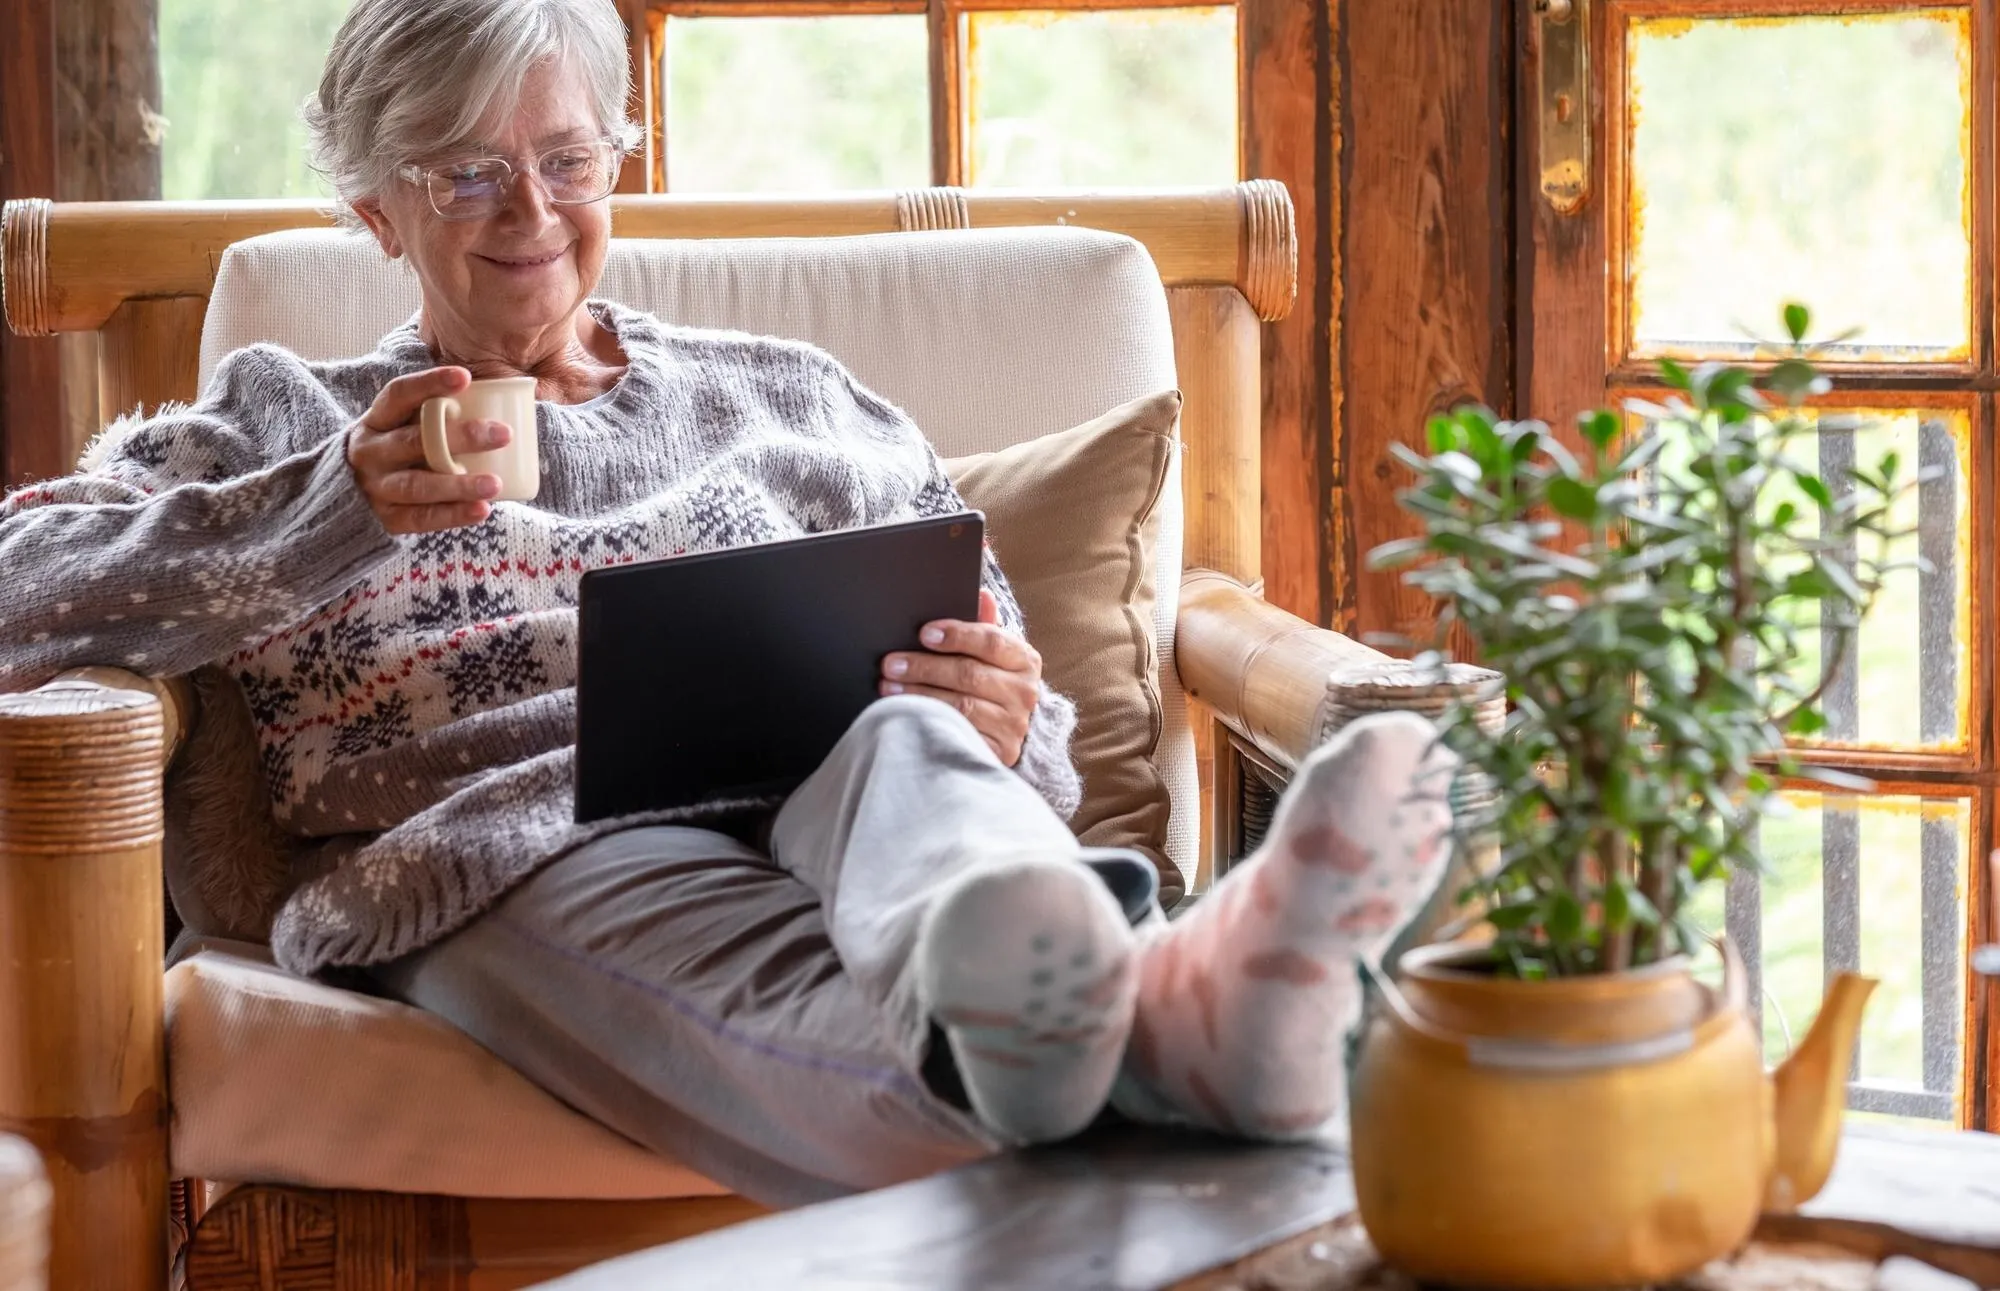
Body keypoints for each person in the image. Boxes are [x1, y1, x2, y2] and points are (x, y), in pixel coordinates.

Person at [0, 0, 1457, 1206]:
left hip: (854, 792)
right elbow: (22, 596)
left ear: (615, 167)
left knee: (914, 752)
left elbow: (1019, 695)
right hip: (521, 846)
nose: (532, 213)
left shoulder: (795, 400)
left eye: (567, 161)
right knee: (768, 975)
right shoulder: (281, 421)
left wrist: (1012, 717)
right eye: (465, 173)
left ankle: (1066, 957)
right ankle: (1190, 1022)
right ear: (373, 206)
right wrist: (327, 510)